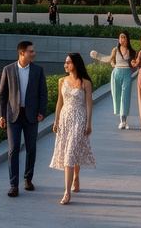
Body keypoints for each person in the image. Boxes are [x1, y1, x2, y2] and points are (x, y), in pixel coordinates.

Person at [0, 40, 48, 197]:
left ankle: (28, 179)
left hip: (31, 115)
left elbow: (43, 93)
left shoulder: (38, 71)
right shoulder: (8, 70)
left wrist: (41, 111)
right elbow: (2, 95)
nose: (33, 54)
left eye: (33, 51)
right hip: (13, 116)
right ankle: (13, 185)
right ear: (21, 53)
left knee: (31, 148)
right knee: (13, 150)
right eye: (30, 51)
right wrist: (1, 115)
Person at [49, 52, 95, 205]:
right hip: (64, 119)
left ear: (75, 63)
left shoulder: (85, 83)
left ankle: (67, 192)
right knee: (69, 151)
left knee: (70, 152)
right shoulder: (62, 81)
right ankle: (75, 177)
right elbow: (59, 103)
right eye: (65, 62)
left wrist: (88, 123)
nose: (65, 65)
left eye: (68, 62)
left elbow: (89, 104)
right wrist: (56, 121)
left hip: (79, 120)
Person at [91, 32, 136, 129]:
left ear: (127, 39)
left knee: (125, 96)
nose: (121, 39)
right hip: (116, 73)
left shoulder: (131, 51)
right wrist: (98, 56)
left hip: (127, 73)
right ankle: (121, 120)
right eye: (120, 37)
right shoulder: (115, 50)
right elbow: (109, 59)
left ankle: (124, 120)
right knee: (117, 96)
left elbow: (135, 64)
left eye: (123, 37)